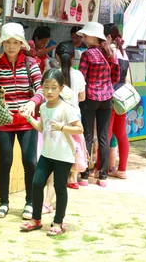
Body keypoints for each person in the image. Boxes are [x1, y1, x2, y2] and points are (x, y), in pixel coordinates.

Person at [0, 23, 44, 220]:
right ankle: (3, 202)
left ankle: (30, 202)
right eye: (7, 42)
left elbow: (42, 90)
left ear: (21, 44)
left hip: (28, 122)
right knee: (5, 161)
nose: (11, 46)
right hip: (3, 122)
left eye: (15, 42)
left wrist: (32, 102)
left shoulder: (31, 64)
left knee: (30, 162)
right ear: (2, 44)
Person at [19, 69, 84, 237]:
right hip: (47, 154)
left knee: (59, 187)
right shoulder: (43, 107)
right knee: (37, 183)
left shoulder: (66, 108)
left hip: (63, 155)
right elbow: (42, 128)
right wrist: (28, 117)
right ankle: (36, 220)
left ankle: (58, 222)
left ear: (61, 88)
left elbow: (80, 129)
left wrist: (62, 127)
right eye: (46, 87)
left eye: (54, 87)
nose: (49, 91)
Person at [41, 42, 87, 214]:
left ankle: (47, 202)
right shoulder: (78, 75)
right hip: (73, 119)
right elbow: (82, 97)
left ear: (57, 57)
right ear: (73, 57)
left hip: (57, 121)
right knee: (65, 163)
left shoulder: (54, 75)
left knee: (53, 163)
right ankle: (55, 199)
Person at [76, 22, 119, 187]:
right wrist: (106, 86)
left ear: (94, 37)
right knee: (103, 137)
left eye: (86, 36)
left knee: (87, 135)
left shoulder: (87, 54)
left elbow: (81, 78)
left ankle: (85, 175)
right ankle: (103, 176)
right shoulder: (110, 52)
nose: (84, 38)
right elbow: (115, 76)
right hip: (107, 98)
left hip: (90, 98)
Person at [94, 24, 130, 179]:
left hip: (110, 96)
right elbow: (128, 79)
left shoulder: (108, 52)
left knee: (105, 134)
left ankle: (99, 169)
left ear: (108, 37)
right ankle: (122, 170)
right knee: (121, 135)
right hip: (123, 98)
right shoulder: (124, 53)